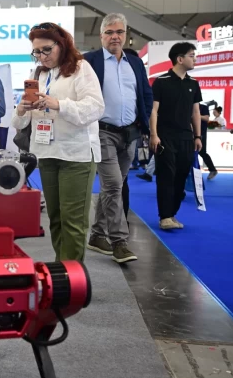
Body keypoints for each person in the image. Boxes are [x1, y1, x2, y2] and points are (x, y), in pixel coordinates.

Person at [12, 22, 104, 262]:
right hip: (46, 153)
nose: (42, 56)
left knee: (73, 221)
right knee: (55, 218)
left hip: (76, 154)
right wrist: (22, 108)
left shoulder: (80, 68)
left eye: (46, 49)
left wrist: (58, 104)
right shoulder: (38, 74)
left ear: (61, 45)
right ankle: (61, 271)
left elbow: (96, 107)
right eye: (36, 52)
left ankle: (70, 276)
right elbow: (19, 123)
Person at [83, 14, 152, 263]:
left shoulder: (135, 63)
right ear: (101, 35)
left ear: (126, 35)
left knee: (114, 186)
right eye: (110, 32)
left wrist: (144, 124)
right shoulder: (89, 61)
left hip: (130, 133)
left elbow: (145, 94)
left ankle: (97, 235)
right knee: (113, 185)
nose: (115, 36)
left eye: (119, 32)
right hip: (102, 131)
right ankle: (120, 241)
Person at [149, 42, 203, 230]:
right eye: (191, 56)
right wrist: (154, 134)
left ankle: (172, 214)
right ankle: (164, 216)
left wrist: (198, 136)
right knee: (166, 176)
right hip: (165, 137)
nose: (195, 59)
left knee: (180, 177)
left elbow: (195, 112)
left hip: (186, 138)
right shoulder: (161, 81)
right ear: (180, 59)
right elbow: (153, 111)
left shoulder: (193, 83)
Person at [198, 103, 218, 179]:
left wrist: (196, 115)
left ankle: (212, 169)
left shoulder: (203, 107)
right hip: (190, 133)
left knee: (202, 152)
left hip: (201, 133)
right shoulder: (188, 106)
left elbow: (206, 118)